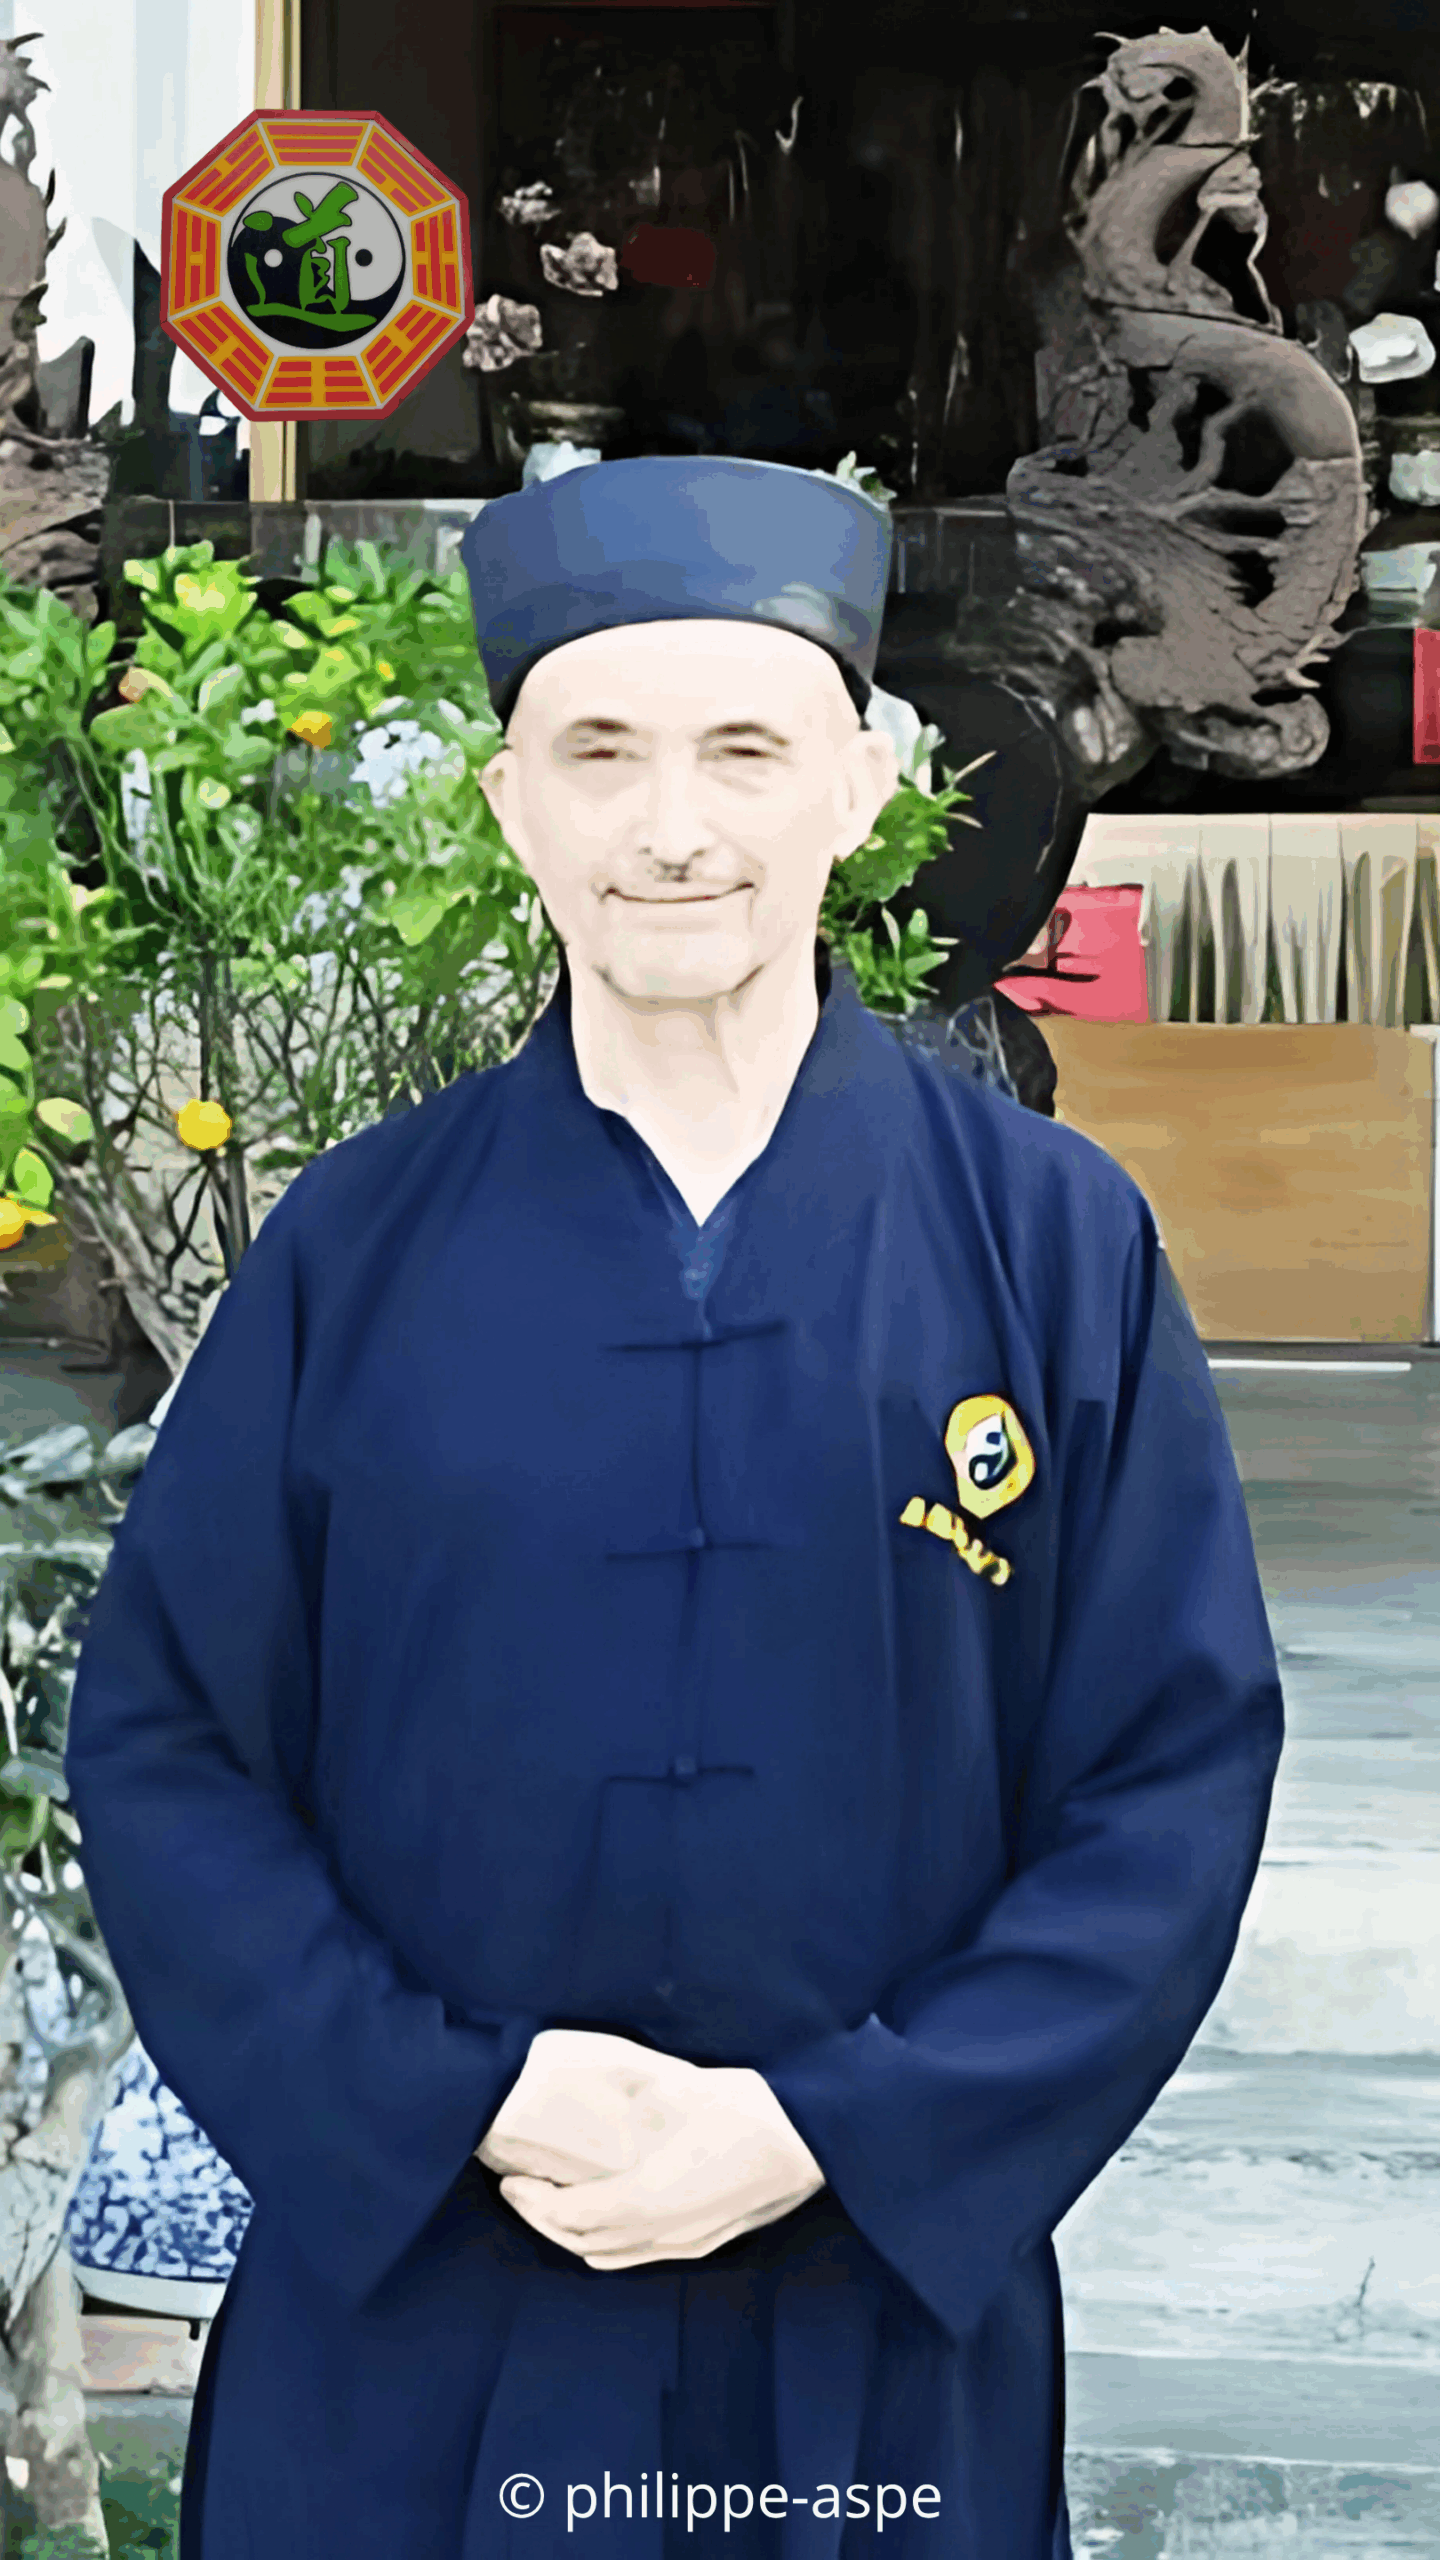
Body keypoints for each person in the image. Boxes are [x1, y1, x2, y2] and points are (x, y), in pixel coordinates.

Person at [64, 456, 1283, 2560]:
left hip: (871, 2311)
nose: (673, 826)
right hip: (424, 2301)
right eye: (601, 752)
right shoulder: (353, 1247)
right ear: (508, 804)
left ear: (862, 786)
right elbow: (172, 1741)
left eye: (744, 748)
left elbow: (1167, 1773)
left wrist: (836, 2123)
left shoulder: (1049, 1243)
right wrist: (458, 2091)